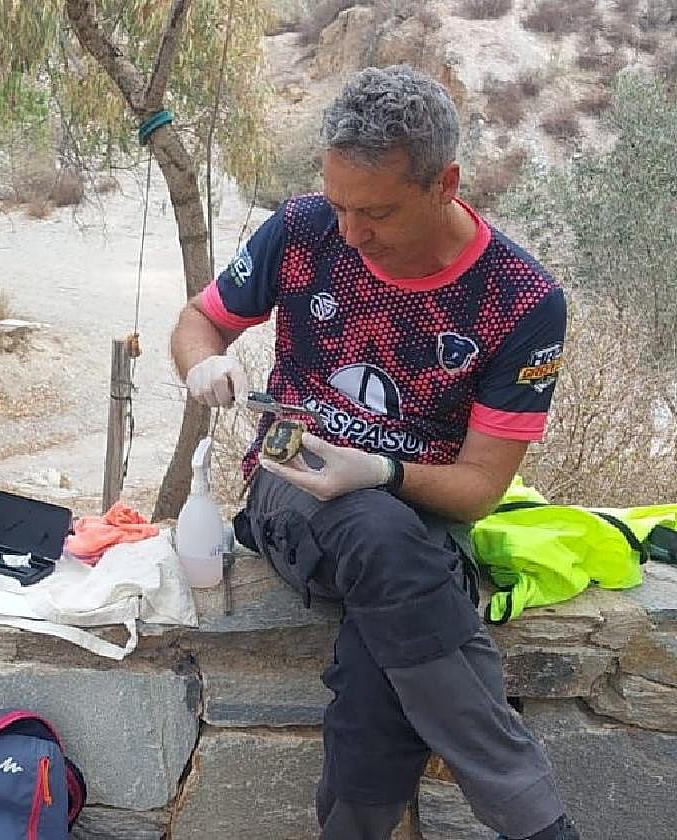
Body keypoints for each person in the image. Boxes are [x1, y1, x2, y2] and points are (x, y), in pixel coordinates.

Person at [171, 65, 578, 840]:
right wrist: (202, 360)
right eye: (339, 206)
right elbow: (202, 318)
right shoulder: (301, 229)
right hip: (290, 488)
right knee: (381, 536)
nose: (351, 234)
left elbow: (479, 491)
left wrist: (384, 472)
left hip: (420, 518)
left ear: (446, 183)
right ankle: (539, 824)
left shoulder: (522, 300)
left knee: (375, 666)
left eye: (379, 211)